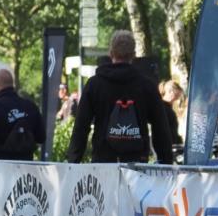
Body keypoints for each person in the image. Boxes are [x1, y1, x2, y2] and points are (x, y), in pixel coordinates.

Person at [67, 31, 173, 164]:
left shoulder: (95, 85)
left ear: (111, 53)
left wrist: (73, 161)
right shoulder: (147, 86)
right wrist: (166, 161)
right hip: (136, 162)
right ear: (133, 55)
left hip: (103, 160)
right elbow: (160, 127)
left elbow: (81, 126)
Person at [0, 68, 45, 163]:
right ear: (12, 84)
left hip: (1, 165)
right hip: (26, 165)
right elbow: (41, 137)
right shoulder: (31, 106)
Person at [160, 80, 184, 145]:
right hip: (166, 144)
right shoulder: (162, 108)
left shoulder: (167, 107)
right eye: (176, 96)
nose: (177, 99)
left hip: (172, 143)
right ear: (170, 91)